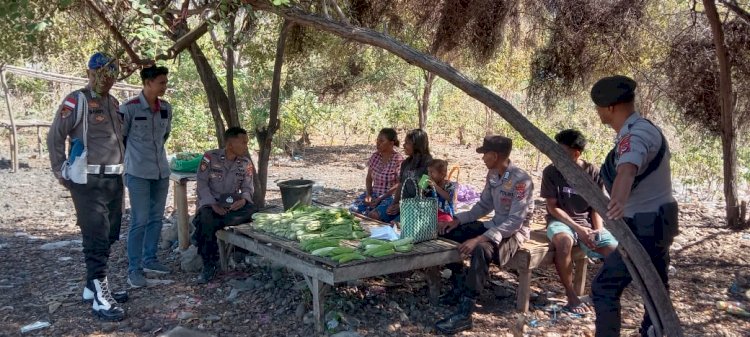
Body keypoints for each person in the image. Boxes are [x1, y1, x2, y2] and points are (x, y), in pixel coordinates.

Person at [589, 75, 679, 337]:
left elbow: (627, 170)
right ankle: (653, 331)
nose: (597, 112)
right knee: (656, 290)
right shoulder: (639, 129)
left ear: (611, 108)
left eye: (598, 107)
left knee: (604, 287)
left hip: (644, 229)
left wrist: (616, 203)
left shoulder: (636, 134)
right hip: (656, 223)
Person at [47, 52, 127, 321]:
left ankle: (91, 286)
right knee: (96, 236)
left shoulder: (114, 103)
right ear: (90, 74)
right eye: (101, 75)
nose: (106, 80)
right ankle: (101, 298)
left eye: (111, 76)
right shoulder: (77, 100)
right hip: (87, 179)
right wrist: (61, 171)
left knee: (110, 234)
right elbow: (55, 135)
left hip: (114, 178)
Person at [434, 135, 534, 334]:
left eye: (485, 154)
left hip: (513, 233)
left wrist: (479, 238)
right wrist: (457, 220)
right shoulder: (493, 175)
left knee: (480, 249)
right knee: (451, 233)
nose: (482, 159)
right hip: (495, 225)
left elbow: (515, 222)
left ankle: (466, 311)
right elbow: (483, 206)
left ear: (495, 155)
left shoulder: (521, 180)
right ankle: (458, 283)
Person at [541, 129, 618, 314]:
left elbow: (596, 207)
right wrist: (578, 229)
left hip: (587, 223)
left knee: (617, 254)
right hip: (560, 221)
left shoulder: (592, 172)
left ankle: (596, 293)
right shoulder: (551, 171)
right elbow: (553, 207)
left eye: (562, 152)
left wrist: (597, 231)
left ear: (576, 153)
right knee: (564, 242)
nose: (556, 156)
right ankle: (571, 296)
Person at [121, 65, 173, 287]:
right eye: (161, 82)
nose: (164, 86)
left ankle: (150, 259)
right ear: (148, 83)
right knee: (139, 220)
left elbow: (165, 136)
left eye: (165, 82)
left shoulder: (166, 108)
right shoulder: (129, 109)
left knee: (156, 218)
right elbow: (121, 138)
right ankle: (134, 269)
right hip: (138, 172)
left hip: (161, 171)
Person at [193, 127, 258, 284]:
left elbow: (248, 188)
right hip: (212, 205)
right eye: (243, 142)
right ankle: (209, 265)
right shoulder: (210, 157)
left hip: (233, 207)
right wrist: (213, 205)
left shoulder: (246, 163)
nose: (246, 146)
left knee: (254, 212)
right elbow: (201, 184)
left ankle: (239, 252)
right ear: (230, 144)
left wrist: (243, 200)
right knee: (206, 218)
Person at [349, 128, 403, 220]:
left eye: (381, 141)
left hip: (389, 197)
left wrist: (381, 198)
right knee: (353, 210)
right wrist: (368, 195)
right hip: (374, 194)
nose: (378, 143)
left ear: (391, 143)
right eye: (377, 140)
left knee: (374, 216)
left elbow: (399, 184)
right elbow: (369, 179)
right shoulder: (375, 156)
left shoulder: (398, 159)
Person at [385, 129, 432, 223]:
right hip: (402, 204)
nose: (403, 145)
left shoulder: (428, 164)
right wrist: (394, 204)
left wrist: (402, 206)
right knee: (374, 216)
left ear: (416, 145)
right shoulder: (406, 163)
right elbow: (401, 185)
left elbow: (423, 192)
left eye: (407, 143)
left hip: (418, 208)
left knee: (395, 225)